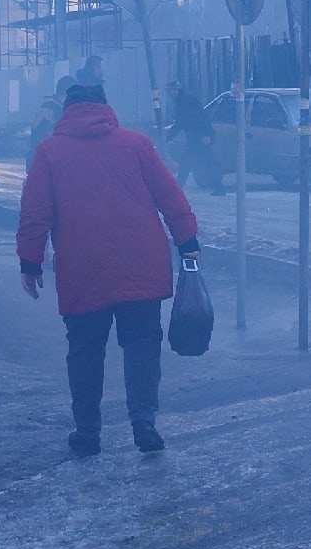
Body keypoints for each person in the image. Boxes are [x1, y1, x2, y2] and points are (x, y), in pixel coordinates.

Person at [16, 83, 200, 456]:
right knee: (142, 344)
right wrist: (187, 242)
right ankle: (144, 422)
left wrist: (30, 262)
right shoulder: (136, 144)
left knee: (84, 349)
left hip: (83, 267)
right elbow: (171, 197)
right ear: (104, 106)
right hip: (141, 263)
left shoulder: (49, 151)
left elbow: (35, 213)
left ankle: (87, 432)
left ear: (67, 109)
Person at [168, 79, 224, 190]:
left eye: (172, 90)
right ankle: (218, 187)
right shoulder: (183, 101)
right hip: (195, 137)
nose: (170, 93)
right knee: (193, 162)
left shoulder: (185, 102)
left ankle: (219, 187)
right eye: (169, 91)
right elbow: (181, 122)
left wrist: (207, 135)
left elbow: (199, 119)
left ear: (177, 90)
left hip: (199, 136)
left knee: (203, 162)